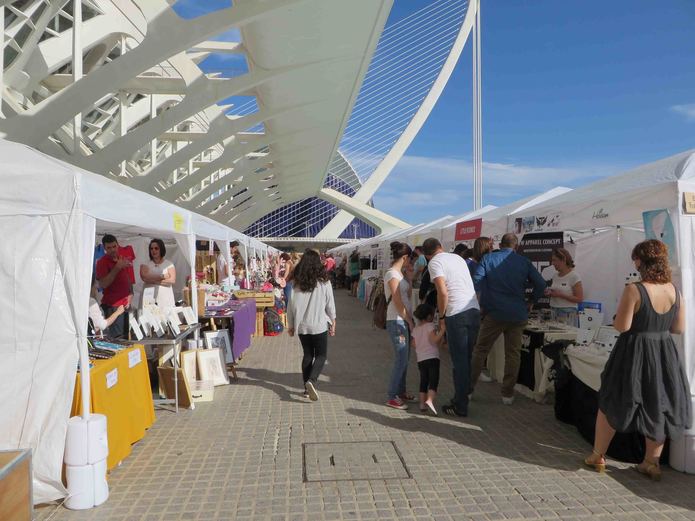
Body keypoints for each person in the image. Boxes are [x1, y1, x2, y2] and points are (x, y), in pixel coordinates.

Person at [584, 240, 690, 480]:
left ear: (640, 261)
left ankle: (598, 455)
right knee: (658, 404)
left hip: (633, 352)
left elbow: (623, 326)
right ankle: (651, 462)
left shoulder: (634, 289)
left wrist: (619, 316)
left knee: (612, 400)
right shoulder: (675, 290)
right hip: (663, 353)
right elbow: (679, 328)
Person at [469, 233, 546, 405]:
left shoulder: (488, 259)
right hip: (518, 313)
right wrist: (532, 300)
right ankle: (507, 393)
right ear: (516, 246)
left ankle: (468, 390)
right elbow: (541, 283)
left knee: (480, 350)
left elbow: (476, 282)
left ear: (500, 244)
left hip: (494, 313)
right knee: (513, 354)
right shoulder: (523, 262)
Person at [423, 237, 479, 417]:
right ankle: (464, 395)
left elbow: (442, 291)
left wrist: (442, 316)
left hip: (457, 313)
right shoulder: (458, 258)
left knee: (459, 362)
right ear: (441, 247)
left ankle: (460, 405)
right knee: (467, 359)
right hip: (473, 310)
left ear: (426, 255)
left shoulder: (434, 263)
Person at [287, 249, 336, 402]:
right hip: (319, 324)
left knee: (308, 355)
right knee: (321, 355)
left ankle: (306, 389)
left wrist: (291, 324)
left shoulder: (296, 283)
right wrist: (333, 321)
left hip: (302, 325)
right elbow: (330, 304)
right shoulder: (324, 281)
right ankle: (312, 381)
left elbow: (291, 305)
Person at [384, 241, 415, 410]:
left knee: (405, 358)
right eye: (410, 258)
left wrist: (409, 278)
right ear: (404, 257)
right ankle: (392, 395)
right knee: (401, 358)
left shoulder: (399, 274)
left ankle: (400, 391)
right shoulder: (392, 274)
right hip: (396, 320)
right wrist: (409, 321)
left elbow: (407, 295)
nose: (411, 261)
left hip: (402, 319)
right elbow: (397, 301)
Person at [95, 234, 133, 338]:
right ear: (104, 248)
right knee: (118, 339)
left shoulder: (121, 259)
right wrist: (117, 267)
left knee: (126, 336)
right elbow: (103, 284)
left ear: (118, 245)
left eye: (114, 246)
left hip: (125, 305)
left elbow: (127, 279)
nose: (112, 250)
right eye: (109, 248)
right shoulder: (102, 262)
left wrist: (130, 295)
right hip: (113, 306)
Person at [411, 304, 445, 415]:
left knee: (423, 381)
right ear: (430, 316)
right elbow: (434, 340)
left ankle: (422, 404)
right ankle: (430, 400)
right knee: (433, 381)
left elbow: (414, 344)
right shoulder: (430, 326)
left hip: (421, 359)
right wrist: (442, 331)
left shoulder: (416, 329)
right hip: (432, 358)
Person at [546, 248, 583, 322]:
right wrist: (550, 293)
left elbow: (579, 299)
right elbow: (556, 292)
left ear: (563, 260)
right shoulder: (555, 275)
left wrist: (560, 295)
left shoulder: (574, 276)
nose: (552, 263)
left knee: (565, 334)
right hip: (553, 311)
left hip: (567, 312)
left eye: (554, 260)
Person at [140, 238, 176, 310]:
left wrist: (154, 281)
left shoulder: (169, 264)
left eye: (156, 248)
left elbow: (172, 281)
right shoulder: (145, 264)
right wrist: (163, 276)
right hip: (149, 297)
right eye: (151, 248)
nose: (153, 250)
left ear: (161, 249)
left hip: (165, 298)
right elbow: (145, 278)